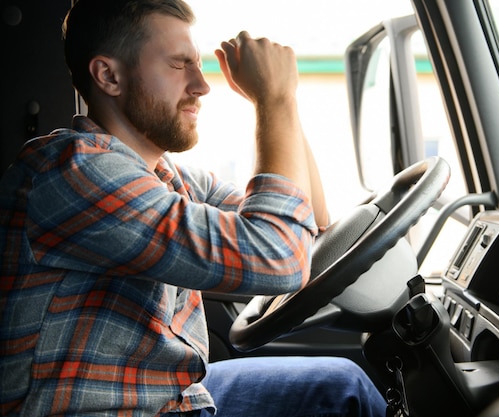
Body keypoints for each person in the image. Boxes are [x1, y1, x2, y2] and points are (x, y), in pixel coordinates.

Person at [0, 0, 387, 416]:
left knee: (341, 386)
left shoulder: (164, 176)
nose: (202, 85)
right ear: (109, 76)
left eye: (198, 65)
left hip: (172, 398)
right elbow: (279, 258)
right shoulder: (73, 172)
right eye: (179, 64)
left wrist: (283, 101)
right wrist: (271, 99)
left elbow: (308, 219)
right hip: (102, 409)